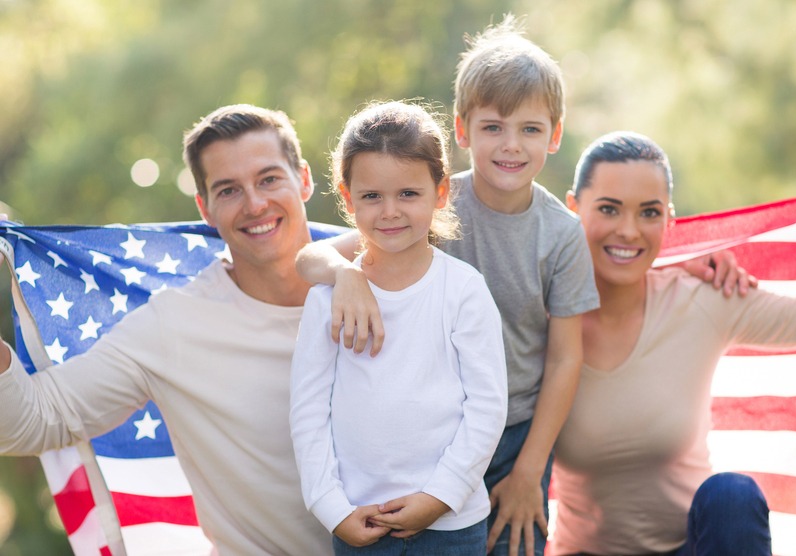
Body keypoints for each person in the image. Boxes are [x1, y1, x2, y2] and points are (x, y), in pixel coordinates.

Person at [294, 16, 750, 556]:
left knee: (515, 542)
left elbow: (563, 360)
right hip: (433, 434)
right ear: (463, 131)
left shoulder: (560, 235)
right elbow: (312, 257)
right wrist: (345, 275)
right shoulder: (426, 203)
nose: (510, 145)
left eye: (530, 129)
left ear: (554, 135)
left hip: (516, 437)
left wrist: (531, 470)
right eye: (493, 127)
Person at [0, 104, 332, 555]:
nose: (255, 204)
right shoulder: (173, 325)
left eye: (269, 179)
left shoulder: (383, 279)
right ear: (205, 208)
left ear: (305, 179)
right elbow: (32, 422)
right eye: (229, 190)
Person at [550, 131, 796, 556]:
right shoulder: (541, 316)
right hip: (582, 552)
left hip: (692, 547)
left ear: (669, 221)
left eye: (648, 213)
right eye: (609, 209)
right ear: (573, 209)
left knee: (732, 495)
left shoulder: (702, 298)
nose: (629, 230)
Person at [290, 100, 508, 555]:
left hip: (452, 523)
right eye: (371, 196)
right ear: (348, 199)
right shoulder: (327, 298)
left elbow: (486, 409)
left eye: (408, 193)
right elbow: (308, 411)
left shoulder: (464, 290)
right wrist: (331, 507)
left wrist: (439, 497)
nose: (390, 211)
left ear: (441, 192)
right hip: (358, 521)